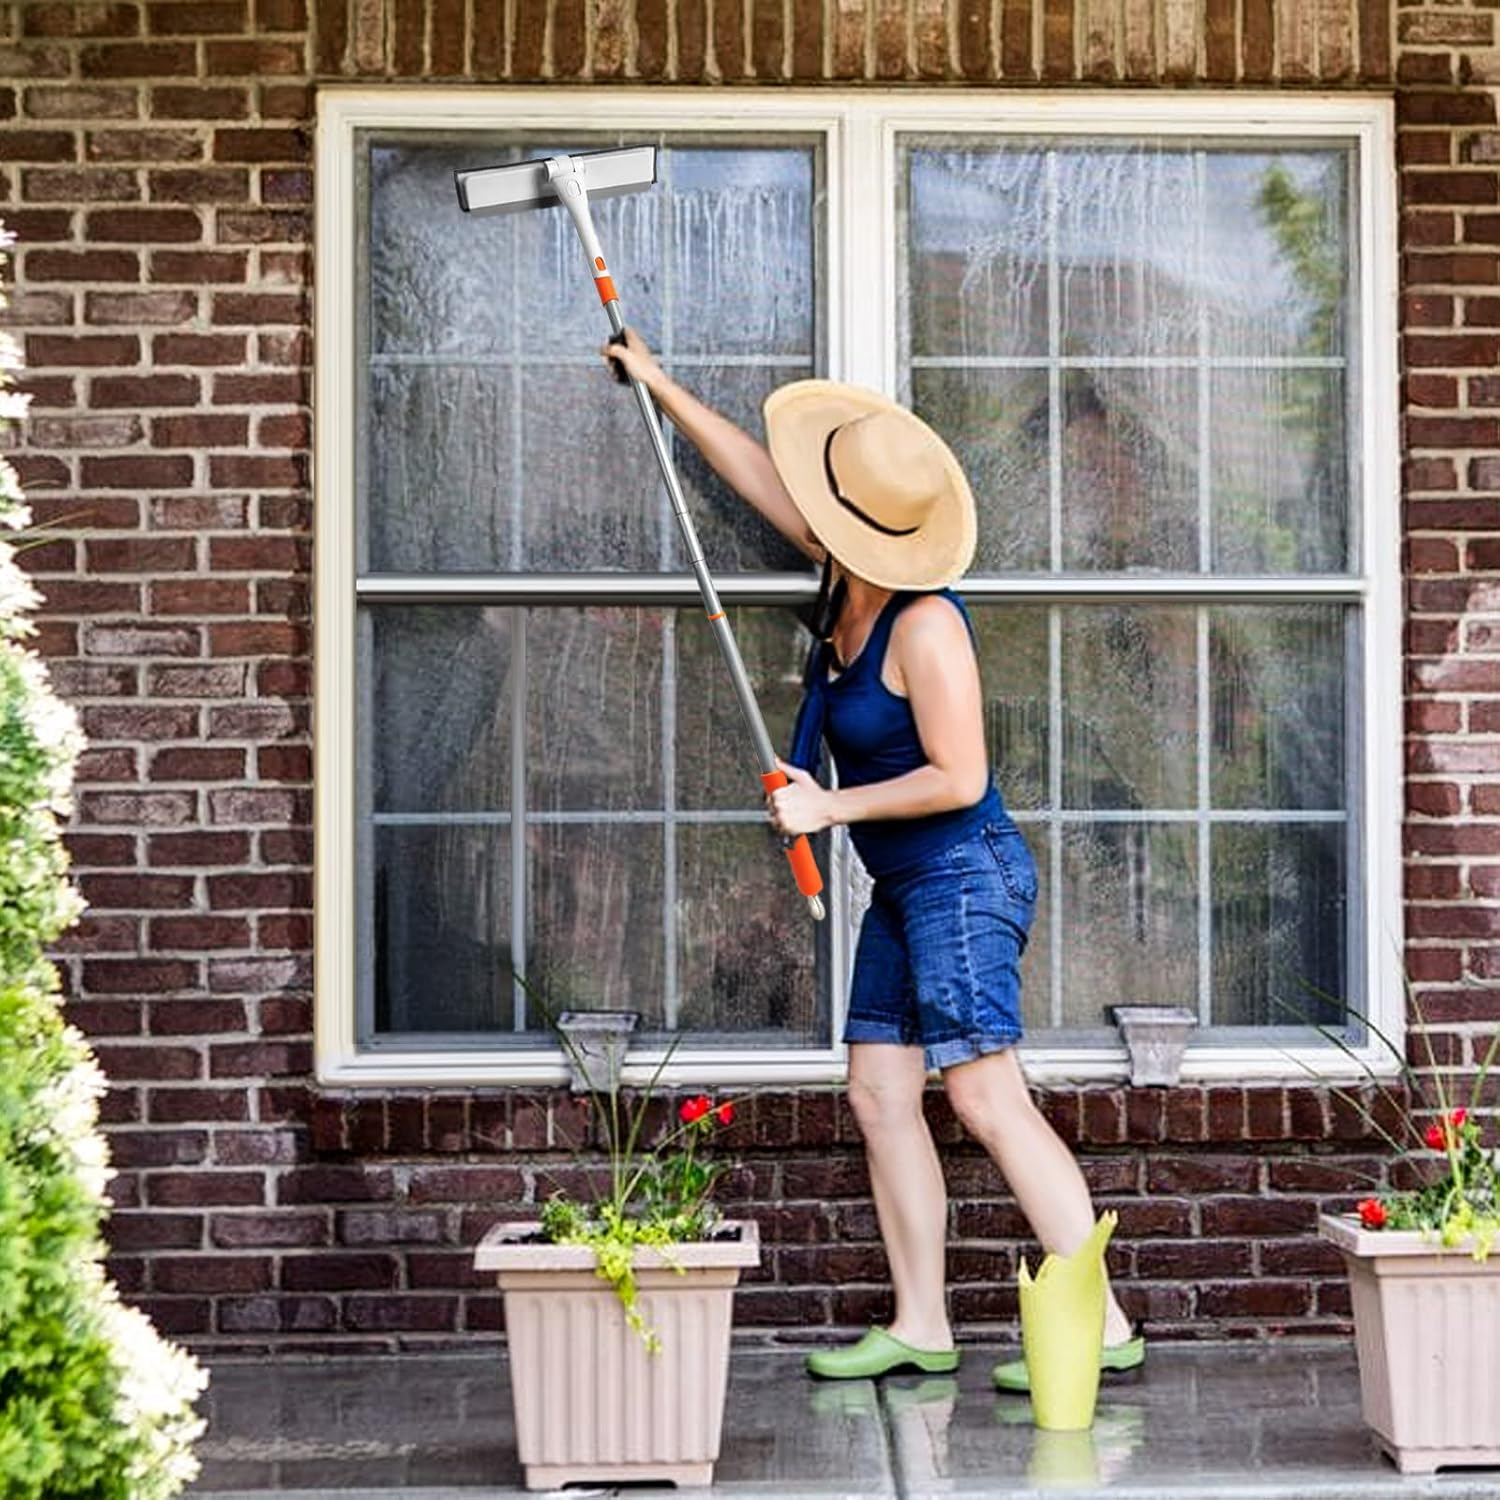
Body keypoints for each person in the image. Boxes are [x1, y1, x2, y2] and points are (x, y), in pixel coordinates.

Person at [603, 329, 1145, 1390]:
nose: (803, 510)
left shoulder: (923, 624)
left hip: (964, 872)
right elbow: (750, 472)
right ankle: (921, 1323)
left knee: (986, 1098)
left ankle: (1106, 1324)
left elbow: (961, 776)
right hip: (906, 884)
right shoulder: (843, 573)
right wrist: (660, 383)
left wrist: (828, 805)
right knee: (879, 1094)